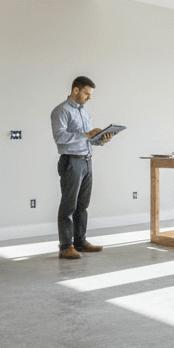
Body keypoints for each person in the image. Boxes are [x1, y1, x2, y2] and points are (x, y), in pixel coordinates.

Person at [50, 76, 114, 260]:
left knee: (82, 205)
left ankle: (80, 242)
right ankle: (65, 246)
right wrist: (86, 134)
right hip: (71, 161)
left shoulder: (85, 112)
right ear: (76, 90)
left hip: (87, 161)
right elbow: (60, 137)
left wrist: (101, 139)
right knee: (68, 205)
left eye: (90, 94)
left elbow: (88, 139)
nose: (89, 97)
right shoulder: (61, 111)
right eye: (87, 93)